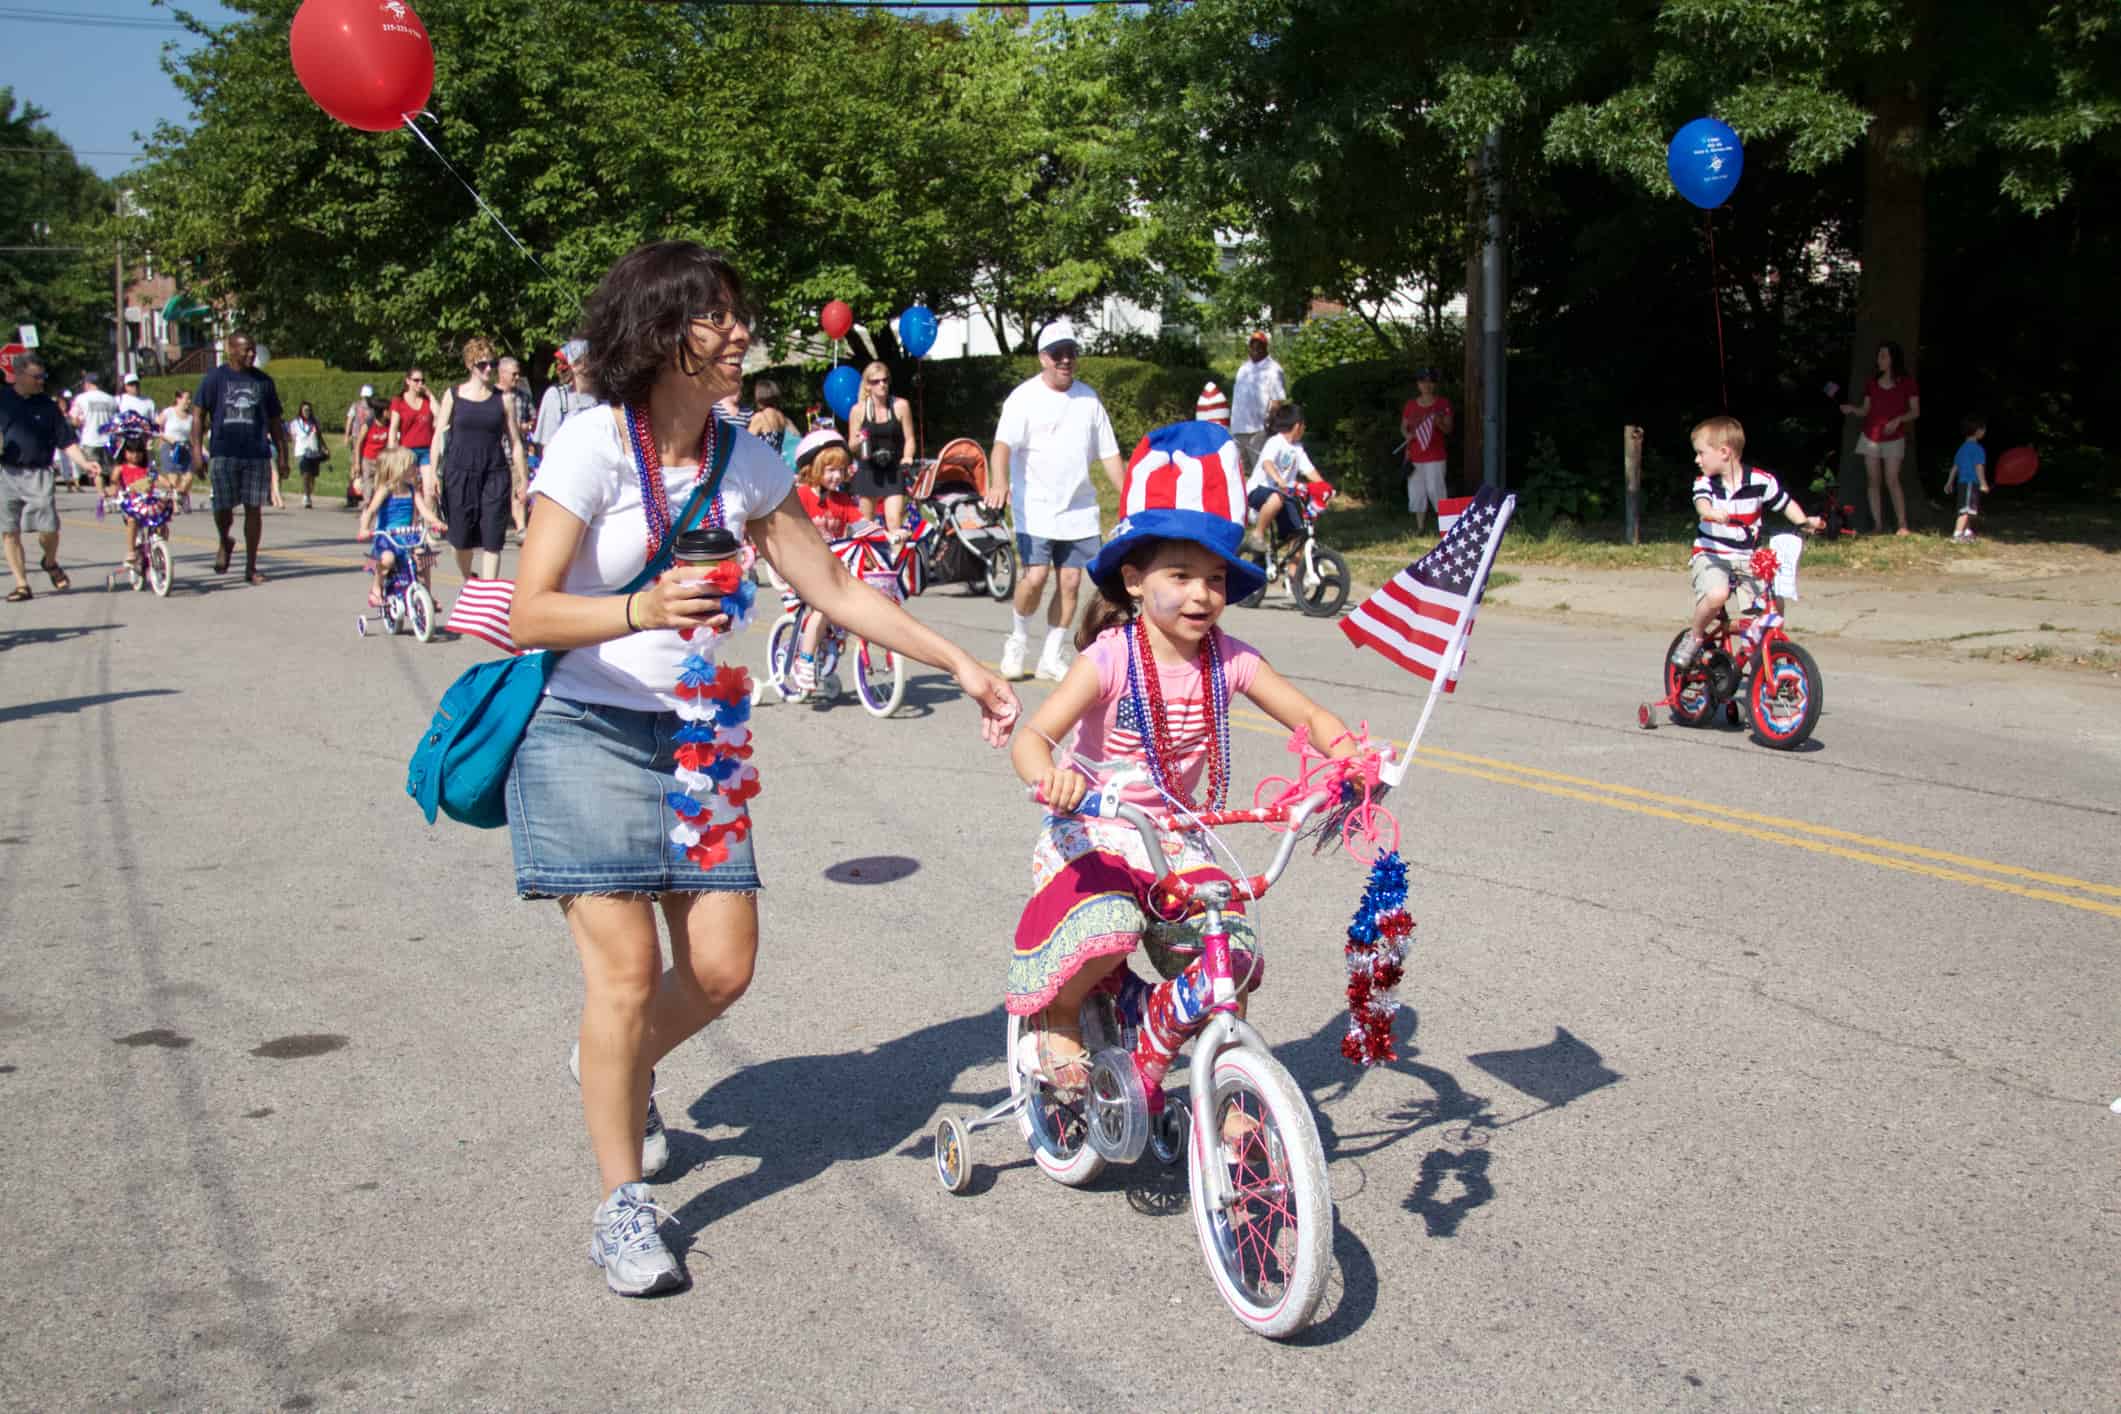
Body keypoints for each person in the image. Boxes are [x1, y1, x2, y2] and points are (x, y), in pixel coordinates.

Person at [507, 241, 1019, 1296]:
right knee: (625, 975)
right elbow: (527, 612)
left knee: (725, 966)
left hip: (699, 734)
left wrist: (958, 659)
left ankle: (612, 1061)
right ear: (661, 332)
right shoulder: (594, 448)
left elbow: (834, 590)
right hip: (584, 734)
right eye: (718, 317)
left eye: (741, 314)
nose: (740, 333)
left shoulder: (746, 460)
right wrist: (640, 607)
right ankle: (622, 1206)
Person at [1006, 420, 1361, 1090]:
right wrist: (1048, 780)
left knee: (1227, 943)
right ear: (1136, 581)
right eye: (1181, 575)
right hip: (1095, 827)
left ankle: (1226, 1083)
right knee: (1109, 922)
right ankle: (1059, 1013)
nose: (1202, 595)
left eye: (1216, 579)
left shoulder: (1229, 658)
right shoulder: (1108, 657)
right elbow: (1033, 736)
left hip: (1174, 835)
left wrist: (1352, 759)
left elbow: (1309, 715)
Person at [983, 318, 1122, 683]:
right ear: (1043, 357)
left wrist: (1130, 497)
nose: (1066, 360)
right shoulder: (1024, 398)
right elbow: (1001, 447)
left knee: (1072, 582)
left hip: (1078, 507)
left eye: (1071, 353)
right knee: (1035, 577)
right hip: (1036, 506)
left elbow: (1109, 455)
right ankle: (1018, 640)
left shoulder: (1089, 399)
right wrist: (998, 481)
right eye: (1058, 354)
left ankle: (1051, 654)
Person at [1671, 415, 1822, 668]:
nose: (1696, 460)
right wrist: (1710, 513)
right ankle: (1695, 635)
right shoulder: (1705, 482)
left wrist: (1805, 522)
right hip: (1712, 556)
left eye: (1700, 453)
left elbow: (1785, 504)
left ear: (1724, 452)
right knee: (1717, 594)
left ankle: (1762, 654)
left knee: (1772, 606)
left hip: (1746, 558)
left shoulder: (1762, 481)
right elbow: (1702, 503)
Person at [190, 332, 288, 585]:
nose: (251, 354)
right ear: (230, 349)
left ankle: (251, 567)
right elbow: (199, 416)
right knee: (222, 507)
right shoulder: (215, 378)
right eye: (245, 350)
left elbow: (276, 422)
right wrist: (196, 452)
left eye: (253, 350)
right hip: (224, 452)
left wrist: (283, 456)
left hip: (256, 454)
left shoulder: (264, 382)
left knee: (253, 509)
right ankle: (225, 539)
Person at [1, 353, 100, 601]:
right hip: (7, 473)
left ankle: (50, 561)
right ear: (20, 375)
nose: (41, 382)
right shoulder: (2, 399)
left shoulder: (47, 406)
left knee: (49, 528)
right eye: (37, 377)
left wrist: (85, 463)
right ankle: (22, 584)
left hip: (39, 474)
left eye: (43, 377)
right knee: (9, 530)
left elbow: (66, 442)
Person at [429, 338, 528, 582]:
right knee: (460, 541)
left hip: (494, 473)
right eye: (482, 364)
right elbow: (437, 436)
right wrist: (433, 473)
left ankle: (486, 594)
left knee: (493, 540)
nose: (488, 369)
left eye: (492, 364)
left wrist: (523, 479)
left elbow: (515, 442)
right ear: (470, 365)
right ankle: (469, 580)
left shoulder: (503, 399)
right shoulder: (453, 396)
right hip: (459, 472)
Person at [787, 427, 865, 696]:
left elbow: (862, 524)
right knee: (823, 607)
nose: (837, 476)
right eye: (830, 469)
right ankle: (805, 659)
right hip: (802, 569)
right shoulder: (801, 497)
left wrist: (889, 534)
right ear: (813, 468)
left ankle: (826, 648)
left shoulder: (841, 500)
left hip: (831, 569)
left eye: (841, 470)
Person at [1839, 340, 1921, 536]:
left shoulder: (1907, 383)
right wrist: (1852, 409)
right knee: (1873, 481)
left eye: (1884, 355)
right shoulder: (1872, 384)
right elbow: (1865, 411)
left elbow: (1915, 412)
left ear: (1893, 359)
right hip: (1870, 438)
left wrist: (1898, 420)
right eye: (1879, 356)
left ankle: (1902, 525)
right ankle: (1878, 525)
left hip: (1894, 438)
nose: (1880, 359)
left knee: (1892, 480)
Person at [355, 446, 444, 607]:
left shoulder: (412, 490)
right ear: (400, 468)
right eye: (412, 465)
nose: (415, 468)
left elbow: (424, 510)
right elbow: (371, 511)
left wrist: (436, 522)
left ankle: (427, 595)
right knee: (387, 559)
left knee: (423, 557)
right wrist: (364, 528)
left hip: (409, 536)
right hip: (387, 538)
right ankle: (376, 589)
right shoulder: (385, 490)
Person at [1244, 402, 1324, 552]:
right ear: (1297, 425)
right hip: (1260, 490)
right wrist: (1279, 480)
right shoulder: (1276, 441)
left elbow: (1309, 470)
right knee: (1277, 497)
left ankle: (1294, 574)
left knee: (1298, 535)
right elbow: (1267, 463)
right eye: (1304, 425)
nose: (1304, 428)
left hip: (1284, 495)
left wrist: (1324, 486)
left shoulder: (1297, 448)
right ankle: (1257, 534)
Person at [848, 362, 916, 538]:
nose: (882, 385)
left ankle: (897, 563)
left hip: (893, 469)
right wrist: (859, 440)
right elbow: (851, 445)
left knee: (894, 522)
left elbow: (909, 438)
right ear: (867, 385)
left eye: (885, 380)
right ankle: (870, 564)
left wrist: (907, 457)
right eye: (876, 381)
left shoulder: (901, 406)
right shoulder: (858, 410)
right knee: (866, 525)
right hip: (868, 469)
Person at [1401, 364, 1455, 532]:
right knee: (1416, 491)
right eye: (1423, 382)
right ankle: (1420, 528)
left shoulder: (1442, 404)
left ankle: (1446, 528)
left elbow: (1448, 429)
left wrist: (1438, 422)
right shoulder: (1410, 405)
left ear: (1435, 384)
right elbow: (1404, 426)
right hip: (1415, 454)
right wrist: (1406, 435)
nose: (1427, 385)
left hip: (1435, 455)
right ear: (1418, 385)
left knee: (1436, 488)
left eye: (1430, 381)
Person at [1228, 329, 1286, 471]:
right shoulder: (1244, 368)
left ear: (1265, 347)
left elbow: (1277, 400)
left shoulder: (1273, 369)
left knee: (1261, 469)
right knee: (1237, 471)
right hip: (1238, 427)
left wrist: (1270, 423)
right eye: (1253, 345)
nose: (1255, 349)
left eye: (1259, 345)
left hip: (1258, 429)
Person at [386, 366, 438, 503]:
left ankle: (428, 522)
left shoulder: (427, 402)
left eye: (422, 380)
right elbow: (393, 428)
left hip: (426, 450)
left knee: (429, 490)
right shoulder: (399, 402)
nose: (420, 383)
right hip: (407, 451)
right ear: (408, 381)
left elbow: (439, 415)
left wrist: (430, 395)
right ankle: (411, 520)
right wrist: (392, 452)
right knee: (411, 489)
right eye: (416, 380)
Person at [496, 356, 535, 534]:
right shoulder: (491, 395)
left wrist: (524, 426)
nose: (517, 377)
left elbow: (532, 421)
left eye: (518, 374)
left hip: (517, 451)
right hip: (495, 452)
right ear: (502, 373)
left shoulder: (523, 396)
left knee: (519, 491)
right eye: (514, 374)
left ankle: (521, 527)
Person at [71, 371, 118, 493]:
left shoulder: (81, 398)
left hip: (90, 440)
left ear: (87, 384)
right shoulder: (111, 399)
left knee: (97, 471)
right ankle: (112, 495)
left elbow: (75, 421)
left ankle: (102, 498)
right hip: (108, 440)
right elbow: (116, 421)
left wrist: (78, 423)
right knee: (112, 471)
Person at [1946, 415, 1989, 543]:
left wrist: (1949, 482)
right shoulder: (1978, 449)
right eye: (1983, 429)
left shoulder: (1962, 448)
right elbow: (1979, 467)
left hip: (1962, 483)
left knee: (1968, 509)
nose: (1984, 432)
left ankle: (1967, 532)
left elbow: (1955, 467)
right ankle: (1957, 534)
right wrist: (1983, 483)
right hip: (1971, 483)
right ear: (1978, 431)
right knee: (1966, 510)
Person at [744, 376, 797, 473]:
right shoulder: (781, 416)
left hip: (761, 464)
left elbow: (746, 443)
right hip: (777, 464)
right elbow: (796, 434)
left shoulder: (760, 417)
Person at [156, 389, 196, 512]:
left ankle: (181, 494)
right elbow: (156, 427)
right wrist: (166, 437)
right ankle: (174, 505)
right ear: (178, 399)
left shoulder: (190, 417)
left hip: (185, 446)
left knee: (188, 477)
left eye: (189, 399)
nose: (189, 401)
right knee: (173, 478)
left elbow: (193, 436)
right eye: (186, 398)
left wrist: (200, 450)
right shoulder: (169, 412)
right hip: (169, 446)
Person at [343, 383, 377, 508]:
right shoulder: (355, 406)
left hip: (369, 437)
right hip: (357, 436)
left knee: (365, 463)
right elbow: (350, 419)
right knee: (355, 464)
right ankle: (352, 492)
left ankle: (362, 492)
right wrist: (347, 435)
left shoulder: (373, 408)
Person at [289, 400, 328, 509]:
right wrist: (293, 451)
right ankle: (306, 496)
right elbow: (293, 438)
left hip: (314, 451)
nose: (307, 412)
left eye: (309, 410)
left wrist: (325, 448)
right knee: (305, 474)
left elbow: (319, 436)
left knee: (312, 476)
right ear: (301, 410)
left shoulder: (315, 422)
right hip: (302, 452)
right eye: (305, 410)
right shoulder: (295, 423)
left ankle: (309, 494)